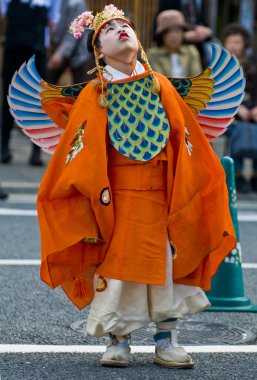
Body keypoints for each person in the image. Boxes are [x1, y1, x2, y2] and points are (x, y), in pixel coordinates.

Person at [10, 4, 239, 369]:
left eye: (125, 25)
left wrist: (187, 184)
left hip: (162, 191)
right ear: (98, 49)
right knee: (118, 267)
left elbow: (185, 137)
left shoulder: (160, 84)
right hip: (114, 196)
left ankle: (168, 338)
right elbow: (78, 148)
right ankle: (120, 338)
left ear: (137, 39)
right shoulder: (91, 94)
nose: (121, 30)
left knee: (166, 264)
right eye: (109, 29)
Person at [0, 0, 61, 165]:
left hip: (37, 50)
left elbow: (53, 20)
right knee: (8, 96)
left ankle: (36, 151)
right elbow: (4, 12)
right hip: (13, 47)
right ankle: (3, 147)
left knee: (38, 101)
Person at [222, 23, 257, 193]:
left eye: (237, 42)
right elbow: (218, 94)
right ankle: (237, 175)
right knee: (236, 130)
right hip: (229, 112)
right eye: (230, 42)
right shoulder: (221, 66)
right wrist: (237, 108)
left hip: (253, 110)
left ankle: (255, 175)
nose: (233, 46)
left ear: (245, 45)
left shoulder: (253, 65)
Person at [47, 0, 94, 85]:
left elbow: (74, 31)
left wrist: (60, 53)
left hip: (78, 52)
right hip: (59, 47)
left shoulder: (77, 3)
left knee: (80, 88)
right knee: (48, 83)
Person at [147, 9, 202, 78]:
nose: (174, 35)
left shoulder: (191, 51)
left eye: (177, 30)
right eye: (168, 31)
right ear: (162, 35)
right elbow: (159, 81)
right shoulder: (153, 54)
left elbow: (197, 78)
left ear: (183, 32)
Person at [157, 0, 212, 67]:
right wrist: (183, 36)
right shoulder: (154, 55)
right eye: (171, 31)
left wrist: (206, 31)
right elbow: (159, 28)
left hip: (197, 49)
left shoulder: (192, 52)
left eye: (177, 31)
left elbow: (204, 23)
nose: (174, 34)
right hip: (168, 51)